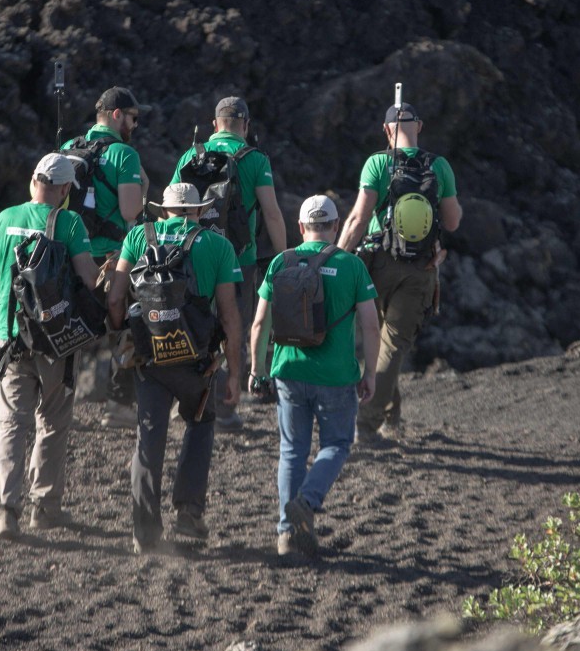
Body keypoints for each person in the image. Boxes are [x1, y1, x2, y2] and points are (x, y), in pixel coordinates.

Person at [106, 182, 244, 554]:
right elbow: (230, 316)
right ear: (198, 210)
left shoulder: (138, 237)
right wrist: (235, 371)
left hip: (150, 358)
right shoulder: (218, 245)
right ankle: (188, 512)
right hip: (197, 362)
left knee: (148, 440)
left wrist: (122, 337)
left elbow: (117, 297)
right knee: (200, 423)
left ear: (163, 209)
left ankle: (146, 534)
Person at [249, 195, 379, 558]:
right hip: (336, 375)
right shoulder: (351, 265)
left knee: (291, 450)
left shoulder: (280, 262)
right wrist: (370, 372)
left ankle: (287, 535)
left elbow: (260, 323)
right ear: (335, 227)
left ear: (301, 227)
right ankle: (307, 501)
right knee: (336, 445)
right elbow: (370, 324)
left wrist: (257, 370)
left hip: (288, 371)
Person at [0, 153, 98, 542]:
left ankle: (5, 511)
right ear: (65, 190)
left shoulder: (3, 220)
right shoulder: (68, 222)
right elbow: (87, 279)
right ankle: (44, 508)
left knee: (11, 424)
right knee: (52, 423)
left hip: (12, 340)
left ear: (33, 180)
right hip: (55, 342)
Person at [336, 94, 462, 444]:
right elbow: (452, 222)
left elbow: (359, 218)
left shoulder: (377, 164)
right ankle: (369, 422)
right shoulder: (439, 166)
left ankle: (384, 416)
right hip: (420, 268)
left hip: (376, 264)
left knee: (379, 341)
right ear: (419, 127)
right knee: (394, 344)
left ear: (386, 131)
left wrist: (337, 258)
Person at [171, 95, 288, 431]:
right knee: (231, 326)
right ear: (246, 126)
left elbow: (172, 206)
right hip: (240, 258)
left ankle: (188, 398)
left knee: (191, 321)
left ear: (214, 124)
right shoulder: (256, 160)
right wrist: (284, 259)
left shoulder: (191, 156)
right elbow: (272, 213)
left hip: (192, 255)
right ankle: (224, 408)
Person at [60, 86, 148, 426]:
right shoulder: (125, 155)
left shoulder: (68, 147)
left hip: (70, 254)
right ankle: (119, 406)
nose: (134, 125)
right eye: (132, 118)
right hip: (112, 259)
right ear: (116, 115)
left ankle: (59, 405)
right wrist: (143, 185)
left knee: (67, 329)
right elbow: (130, 211)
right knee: (126, 324)